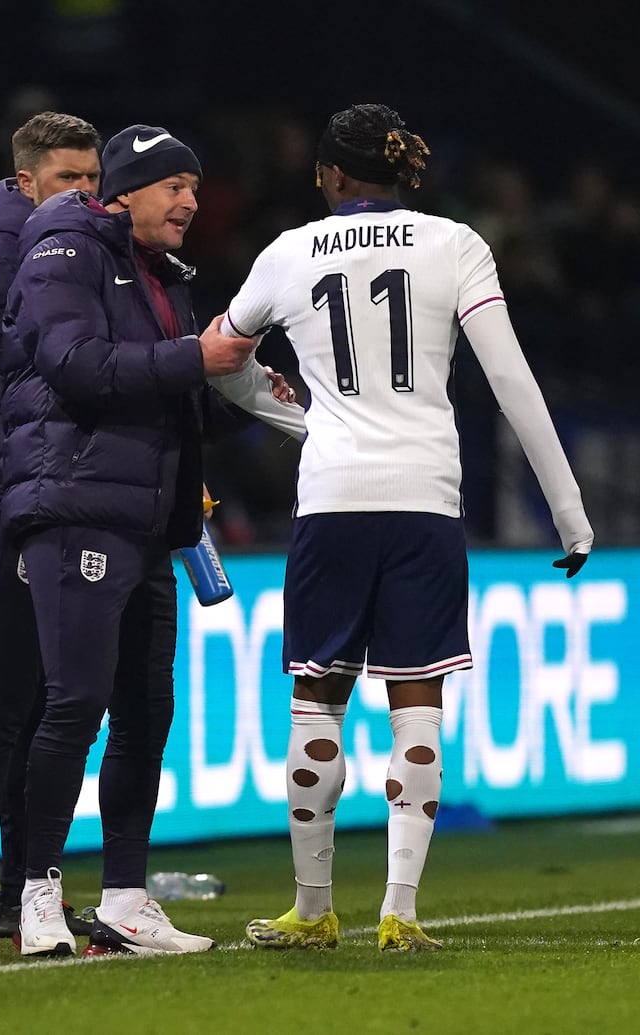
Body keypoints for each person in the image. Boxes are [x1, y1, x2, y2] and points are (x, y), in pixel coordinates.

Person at [216, 102, 594, 952]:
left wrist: (303, 423)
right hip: (425, 496)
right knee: (416, 704)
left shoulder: (286, 252)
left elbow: (221, 358)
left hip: (333, 496)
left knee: (317, 700)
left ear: (334, 175)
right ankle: (402, 912)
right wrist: (569, 513)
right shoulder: (455, 244)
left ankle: (312, 910)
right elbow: (512, 380)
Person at [0, 123, 305, 957]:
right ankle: (36, 893)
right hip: (81, 507)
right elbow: (77, 365)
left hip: (150, 516)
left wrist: (246, 387)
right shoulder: (66, 252)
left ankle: (128, 898)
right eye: (174, 187)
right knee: (74, 705)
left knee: (145, 713)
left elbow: (175, 387)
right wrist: (191, 357)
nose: (191, 203)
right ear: (124, 191)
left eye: (196, 190)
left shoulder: (164, 276)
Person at [0, 111, 103, 938]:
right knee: (3, 698)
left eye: (94, 179)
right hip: (4, 509)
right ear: (26, 180)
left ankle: (20, 885)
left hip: (48, 503)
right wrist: (31, 484)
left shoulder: (68, 259)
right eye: (69, 178)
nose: (85, 193)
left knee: (39, 701)